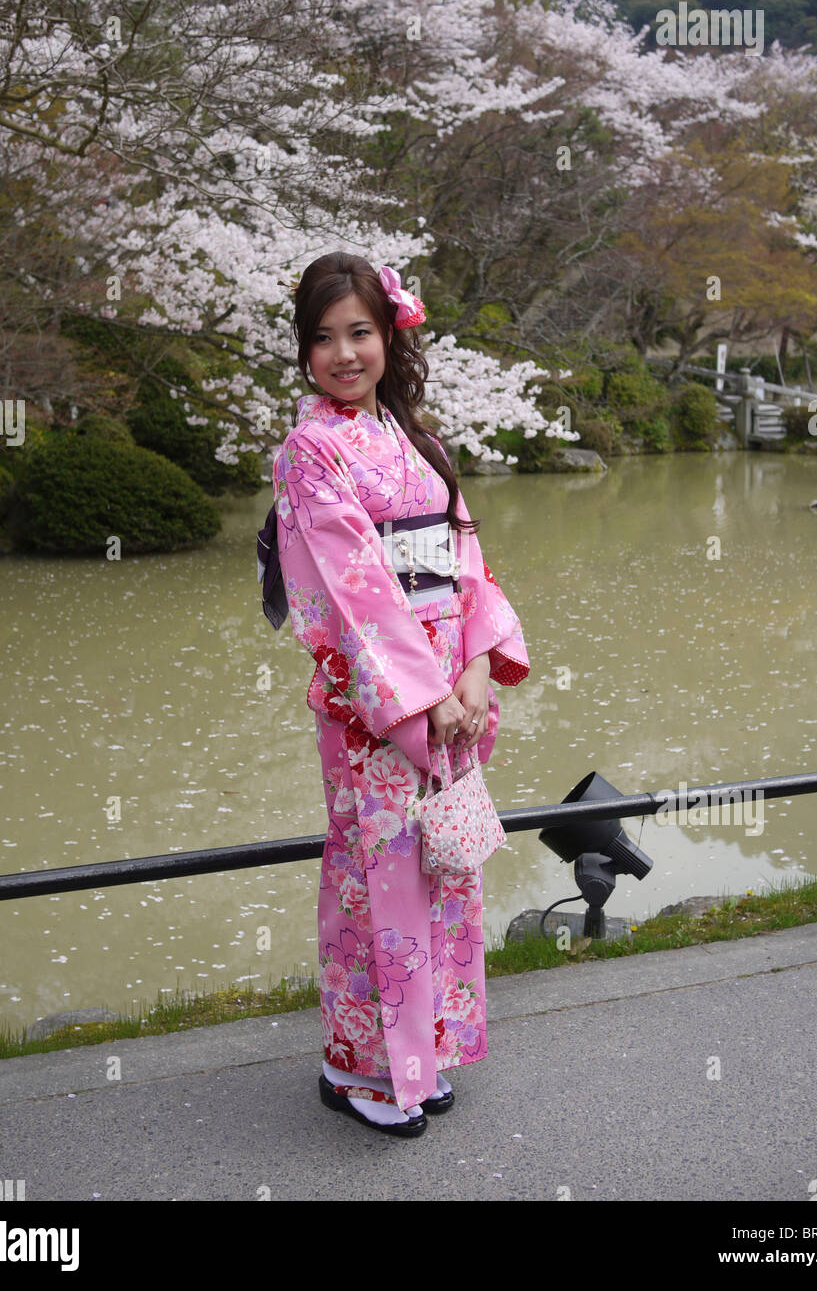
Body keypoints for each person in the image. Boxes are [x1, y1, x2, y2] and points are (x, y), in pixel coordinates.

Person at [269, 252, 530, 1138]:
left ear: (389, 337)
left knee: (440, 874)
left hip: (444, 694)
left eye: (359, 333)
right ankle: (363, 1073)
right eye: (323, 338)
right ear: (304, 350)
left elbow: (466, 566)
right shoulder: (309, 454)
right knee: (372, 885)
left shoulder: (420, 444)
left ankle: (427, 1052)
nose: (343, 353)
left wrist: (471, 670)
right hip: (371, 705)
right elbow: (351, 593)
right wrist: (418, 698)